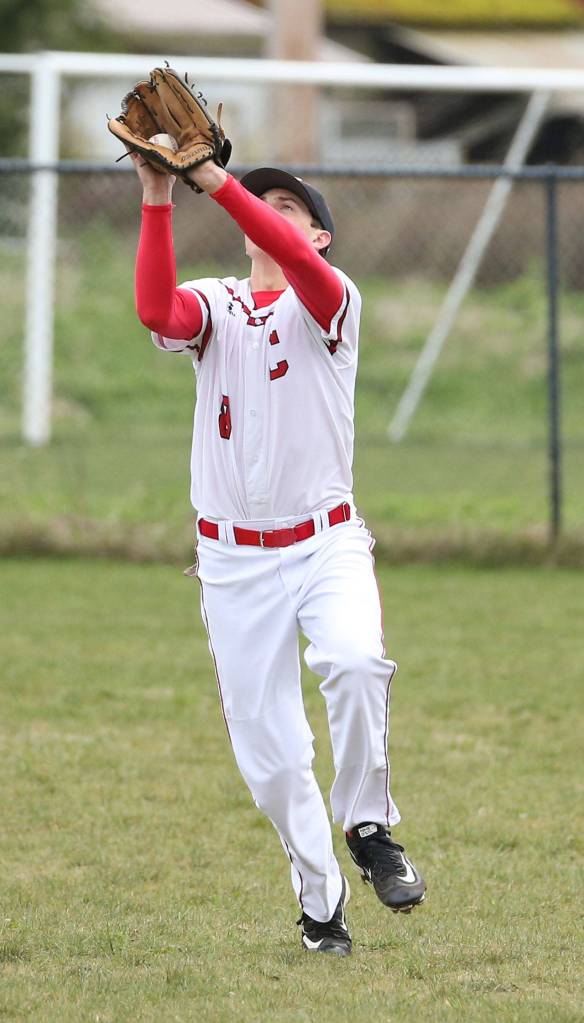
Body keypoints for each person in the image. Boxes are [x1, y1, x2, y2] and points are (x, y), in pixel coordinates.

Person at [129, 149, 426, 957]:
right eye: (263, 203)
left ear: (322, 237)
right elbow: (157, 309)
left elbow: (290, 256)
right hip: (233, 564)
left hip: (325, 539)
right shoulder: (217, 304)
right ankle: (322, 902)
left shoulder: (332, 302)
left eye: (289, 206)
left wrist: (218, 186)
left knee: (358, 661)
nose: (272, 213)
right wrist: (159, 195)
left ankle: (369, 826)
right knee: (274, 759)